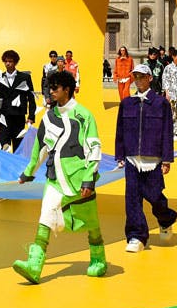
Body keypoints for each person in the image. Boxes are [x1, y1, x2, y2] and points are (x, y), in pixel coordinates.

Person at [12, 70, 107, 284]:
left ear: (67, 89)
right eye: (50, 87)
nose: (51, 91)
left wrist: (89, 178)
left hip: (79, 178)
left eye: (55, 87)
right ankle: (34, 266)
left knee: (90, 221)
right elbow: (40, 148)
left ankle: (98, 259)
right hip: (54, 178)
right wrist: (28, 173)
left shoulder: (84, 115)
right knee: (45, 217)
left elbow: (94, 148)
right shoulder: (48, 117)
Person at [114, 64, 177, 253]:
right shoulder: (127, 103)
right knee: (132, 199)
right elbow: (120, 131)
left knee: (155, 197)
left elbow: (168, 131)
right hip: (132, 159)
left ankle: (166, 218)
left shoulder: (161, 103)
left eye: (142, 77)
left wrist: (167, 159)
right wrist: (120, 154)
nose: (139, 80)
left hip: (154, 160)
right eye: (136, 77)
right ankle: (136, 236)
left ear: (150, 78)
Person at [0, 49, 37, 152]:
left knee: (19, 148)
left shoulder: (25, 77)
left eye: (10, 61)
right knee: (4, 147)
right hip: (4, 117)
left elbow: (31, 98)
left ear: (15, 62)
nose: (8, 64)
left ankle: (18, 168)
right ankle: (5, 168)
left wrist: (31, 117)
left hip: (19, 117)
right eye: (6, 61)